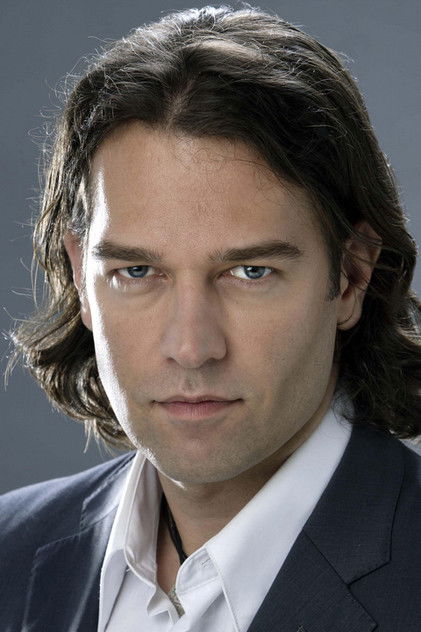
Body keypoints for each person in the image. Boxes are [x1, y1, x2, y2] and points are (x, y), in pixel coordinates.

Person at [2, 4, 421, 631]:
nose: (192, 348)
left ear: (351, 277)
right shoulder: (10, 553)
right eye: (137, 271)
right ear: (82, 278)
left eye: (250, 272)